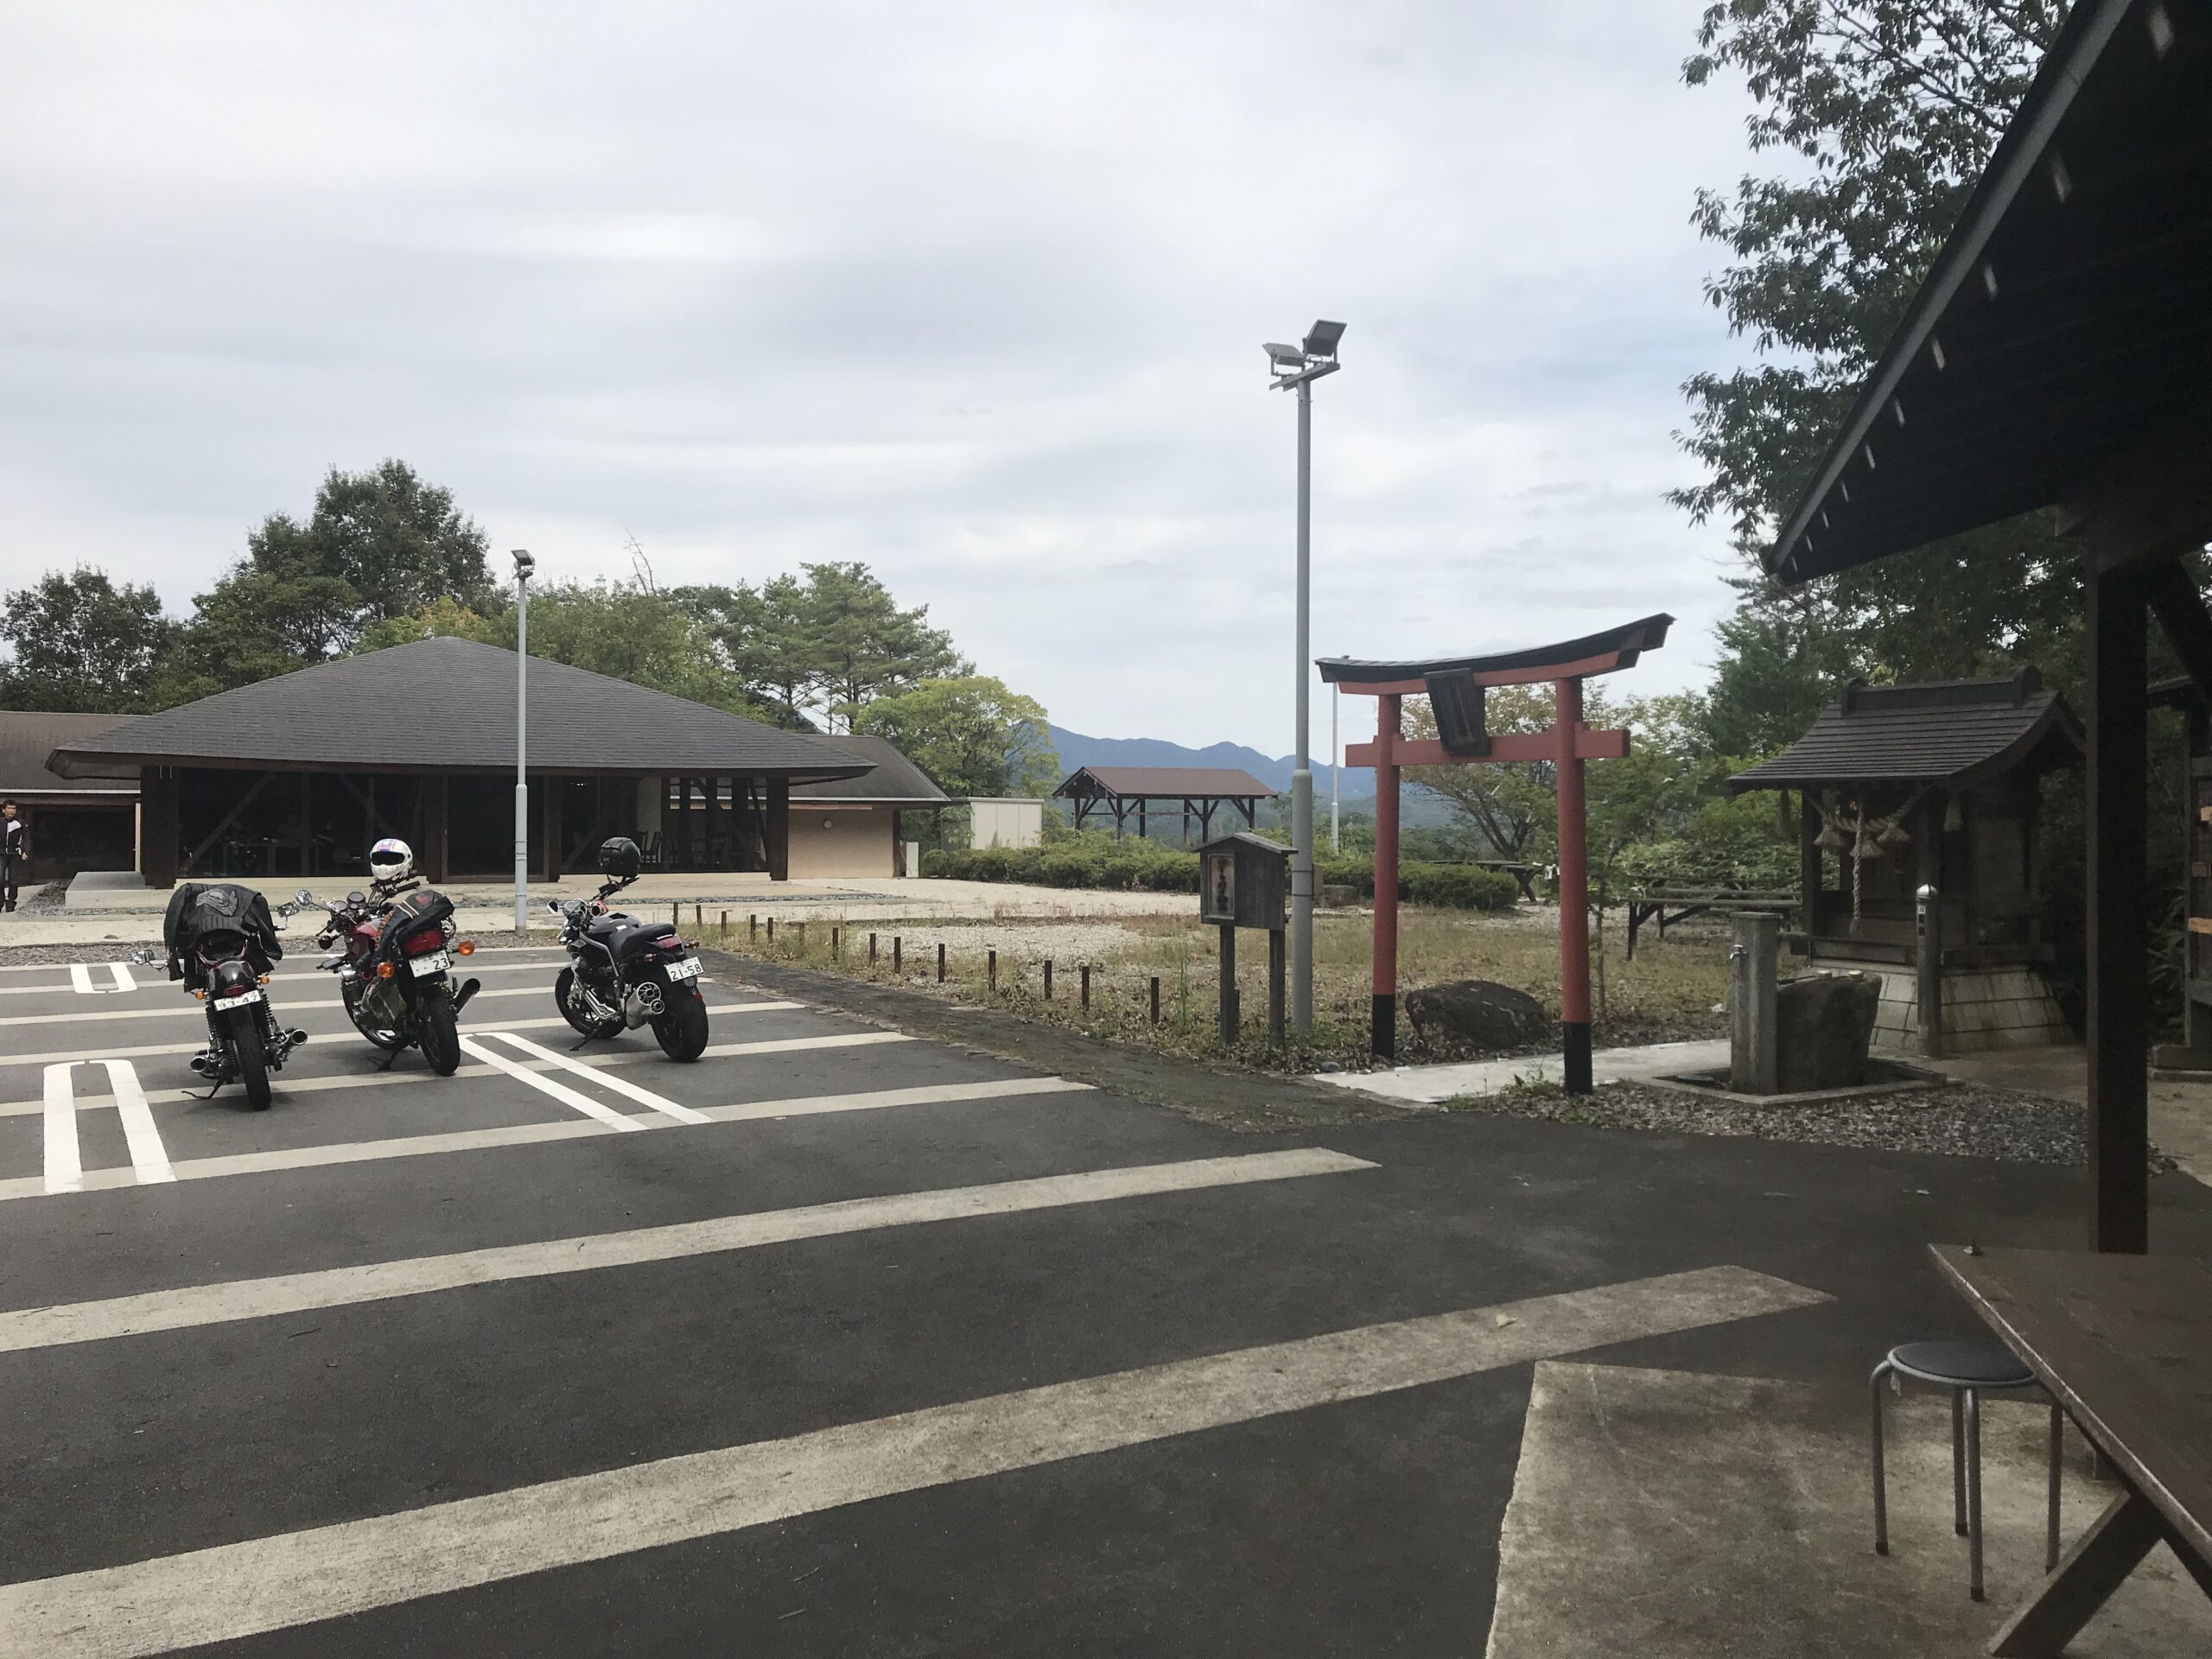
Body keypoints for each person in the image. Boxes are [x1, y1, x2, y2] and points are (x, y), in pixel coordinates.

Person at [0, 800, 23, 912]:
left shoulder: (20, 823)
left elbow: (27, 838)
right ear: (4, 810)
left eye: (13, 809)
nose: (11, 811)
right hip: (1, 854)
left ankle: (11, 902)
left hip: (14, 854)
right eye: (9, 808)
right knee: (0, 878)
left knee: (13, 881)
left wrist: (25, 851)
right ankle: (1, 900)